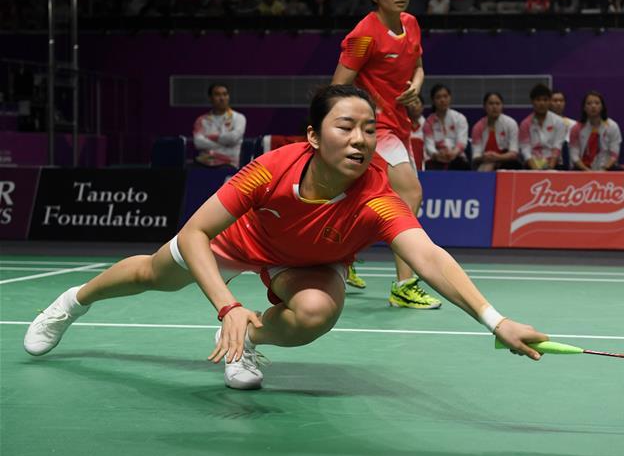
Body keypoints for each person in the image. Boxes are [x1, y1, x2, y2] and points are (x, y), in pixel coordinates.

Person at [24, 85, 548, 391]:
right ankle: (73, 302)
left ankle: (247, 342)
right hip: (244, 239)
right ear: (315, 137)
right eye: (346, 126)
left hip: (311, 261)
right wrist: (227, 304)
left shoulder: (377, 196)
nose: (361, 139)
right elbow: (196, 232)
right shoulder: (271, 169)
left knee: (317, 312)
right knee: (152, 275)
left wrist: (494, 320)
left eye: (369, 129)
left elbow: (428, 256)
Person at [331, 0, 441, 308]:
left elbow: (419, 67)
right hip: (377, 129)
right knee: (410, 194)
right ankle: (403, 285)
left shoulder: (411, 24)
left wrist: (415, 89)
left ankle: (338, 257)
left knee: (362, 200)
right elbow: (338, 86)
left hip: (401, 123)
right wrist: (355, 126)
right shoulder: (364, 34)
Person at [193, 83, 247, 168]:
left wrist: (211, 138)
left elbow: (233, 138)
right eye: (217, 94)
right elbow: (199, 143)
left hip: (230, 164)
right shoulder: (202, 120)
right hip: (205, 163)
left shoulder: (239, 118)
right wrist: (225, 145)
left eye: (225, 94)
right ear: (210, 98)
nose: (222, 98)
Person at [569, 91, 623, 171]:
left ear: (602, 106)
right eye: (589, 103)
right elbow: (574, 154)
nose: (593, 106)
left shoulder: (612, 126)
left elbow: (614, 154)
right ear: (584, 108)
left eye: (597, 103)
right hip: (583, 168)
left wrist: (604, 169)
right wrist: (586, 170)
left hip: (607, 168)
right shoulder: (576, 128)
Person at [519, 84, 566, 170]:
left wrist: (549, 168)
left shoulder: (558, 121)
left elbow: (557, 146)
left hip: (554, 164)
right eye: (538, 100)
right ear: (532, 101)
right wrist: (536, 169)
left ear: (549, 102)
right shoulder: (525, 124)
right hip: (532, 165)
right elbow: (525, 149)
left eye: (545, 100)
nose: (542, 103)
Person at [423, 84, 469, 170]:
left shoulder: (459, 118)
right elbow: (429, 146)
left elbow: (462, 142)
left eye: (445, 96)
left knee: (461, 165)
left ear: (450, 98)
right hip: (437, 159)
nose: (442, 100)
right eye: (438, 97)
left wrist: (453, 153)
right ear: (433, 100)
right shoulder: (428, 122)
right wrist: (437, 155)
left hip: (457, 158)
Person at [470, 92, 520, 172]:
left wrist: (497, 157)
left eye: (498, 103)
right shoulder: (477, 127)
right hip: (485, 162)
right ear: (485, 106)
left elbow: (514, 153)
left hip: (505, 162)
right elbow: (476, 156)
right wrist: (484, 158)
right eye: (491, 103)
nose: (494, 107)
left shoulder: (511, 123)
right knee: (485, 166)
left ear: (502, 106)